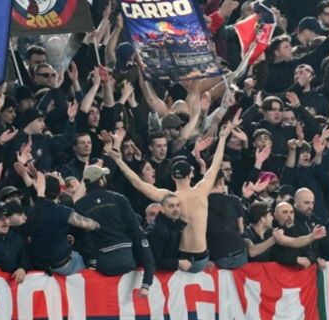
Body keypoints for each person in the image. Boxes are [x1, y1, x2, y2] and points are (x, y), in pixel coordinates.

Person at [106, 115, 235, 273]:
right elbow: (215, 165)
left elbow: (137, 183)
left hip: (183, 258)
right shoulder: (202, 190)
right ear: (190, 176)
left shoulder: (169, 198)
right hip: (202, 258)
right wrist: (222, 138)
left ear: (173, 177)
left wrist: (119, 161)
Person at [73, 164, 155, 289]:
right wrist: (147, 277)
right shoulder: (119, 198)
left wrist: (92, 262)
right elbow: (135, 229)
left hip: (103, 264)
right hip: (127, 258)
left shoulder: (79, 206)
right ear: (101, 181)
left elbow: (84, 238)